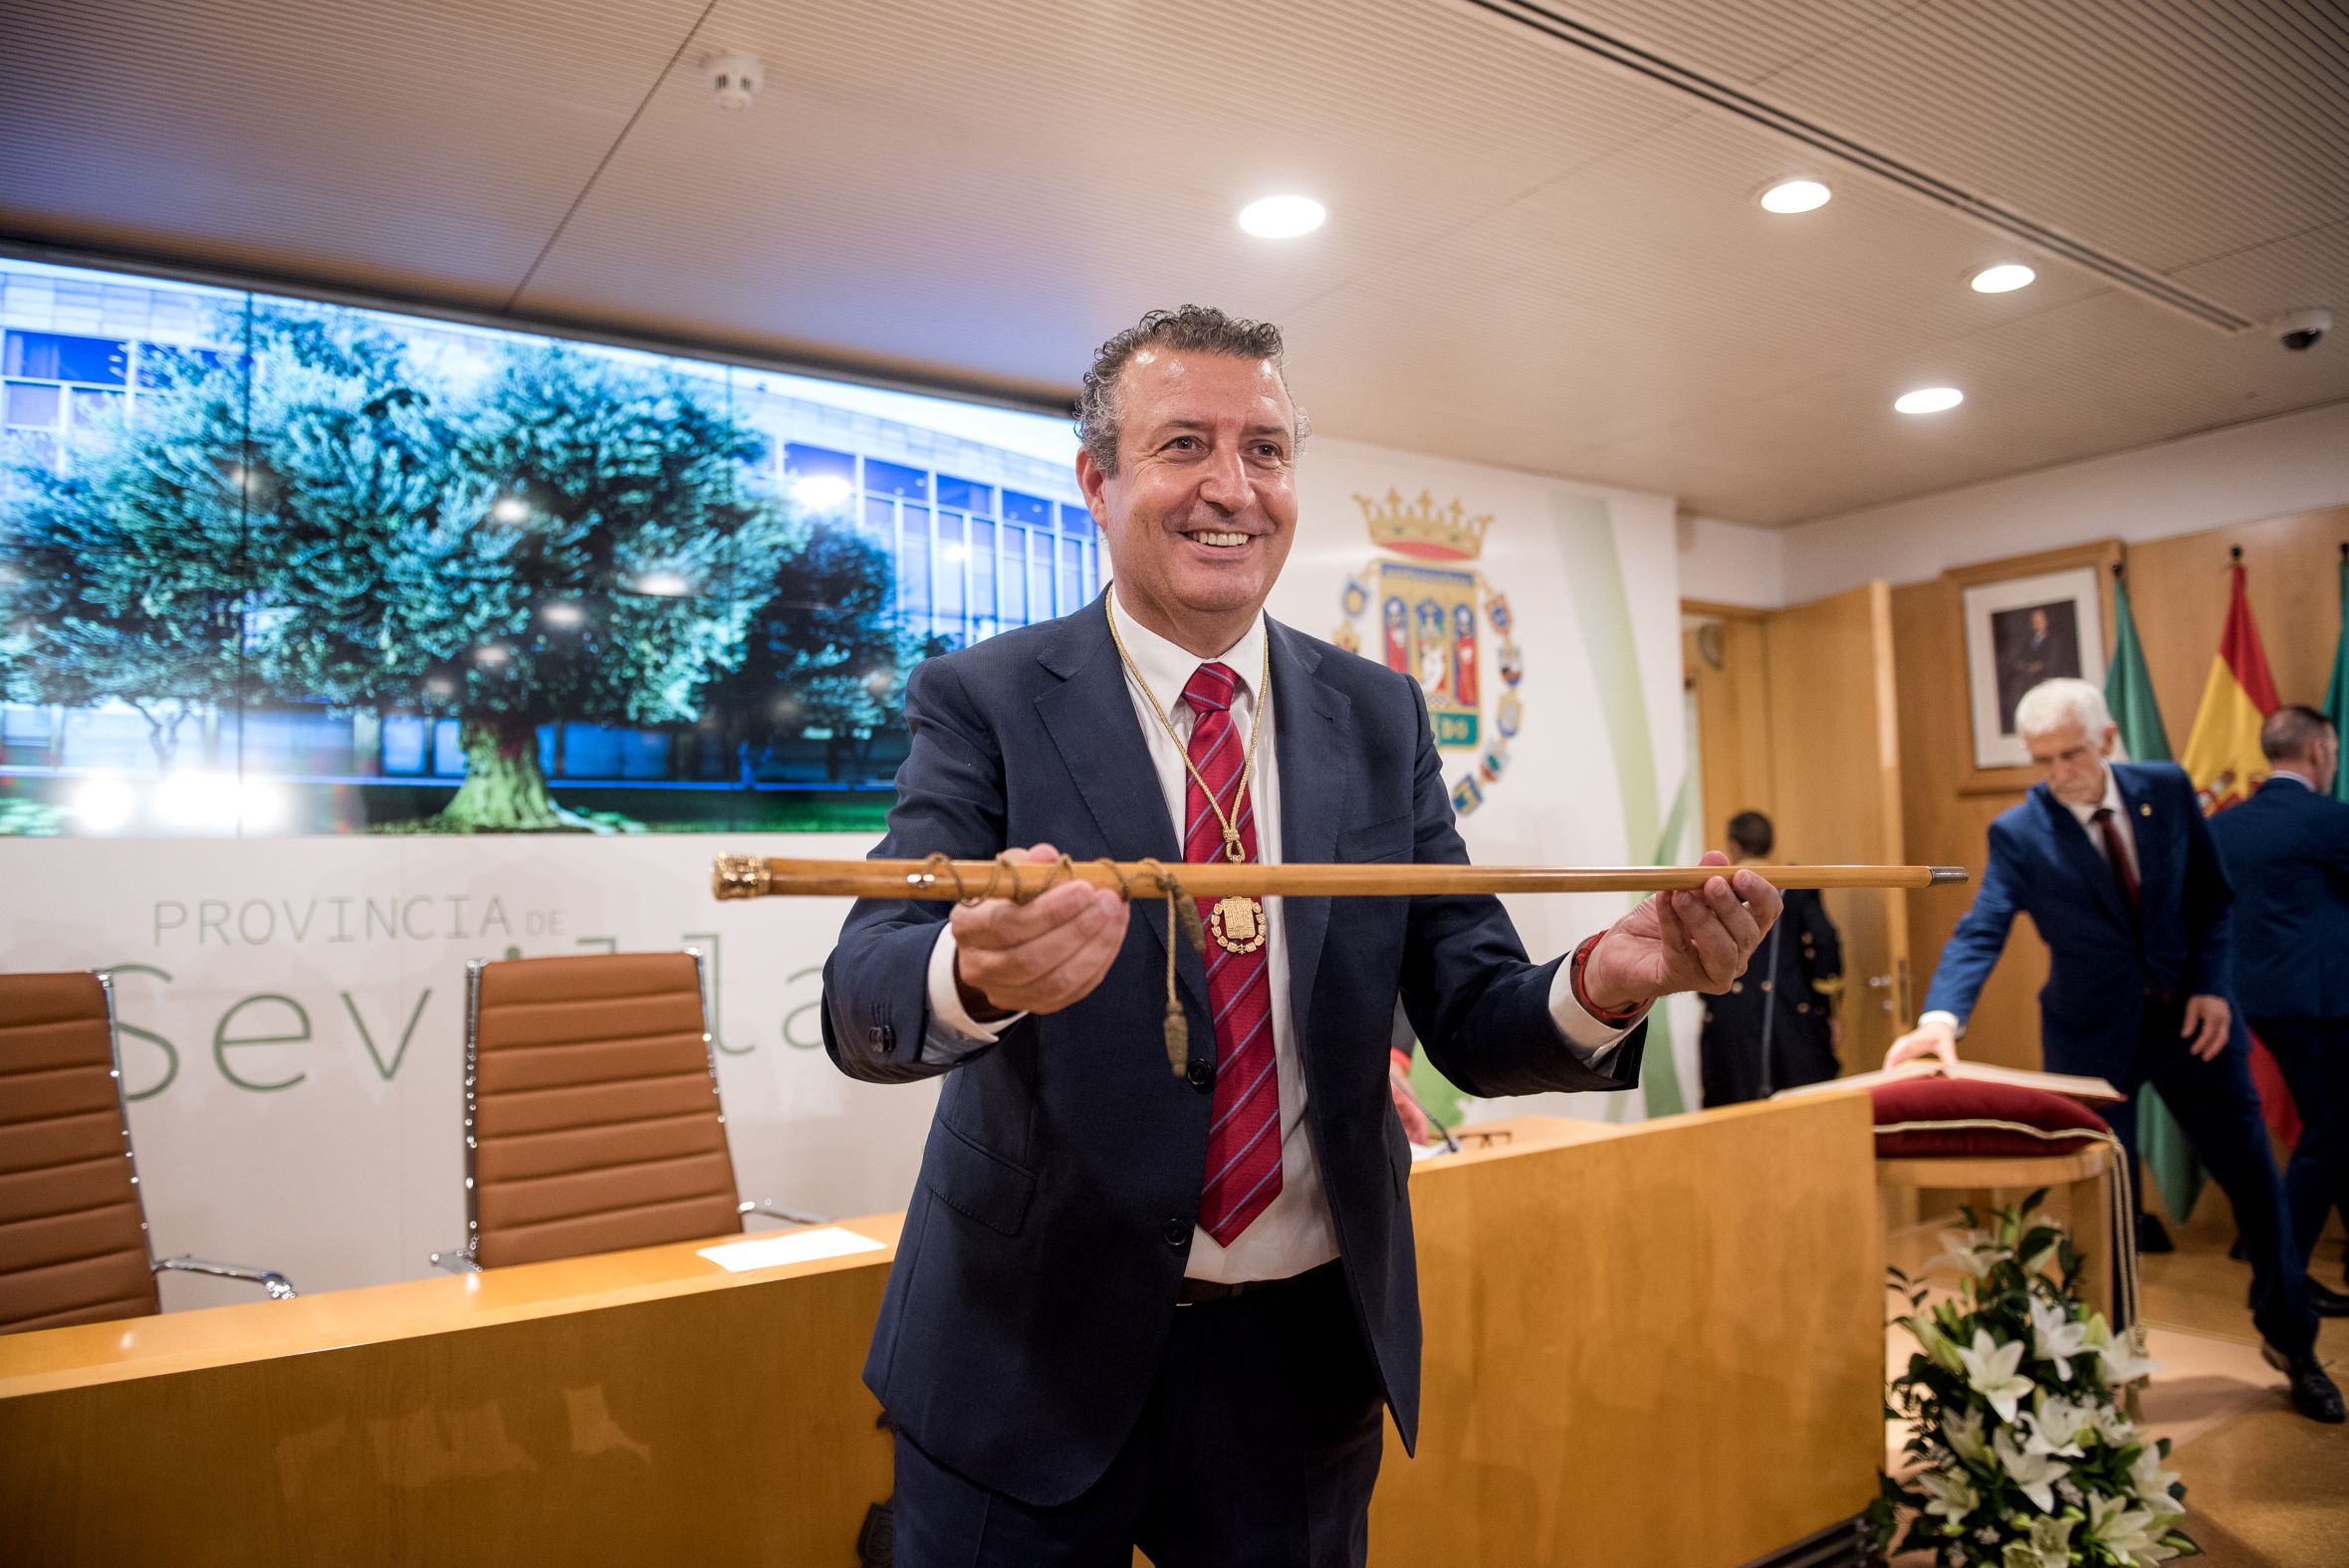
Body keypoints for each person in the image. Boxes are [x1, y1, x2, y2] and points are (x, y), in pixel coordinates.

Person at [821, 305, 1783, 1565]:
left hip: (1293, 1377)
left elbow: (1471, 1009)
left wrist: (1611, 977)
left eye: (1265, 450)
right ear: (1096, 482)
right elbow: (865, 992)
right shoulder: (986, 697)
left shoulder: (1378, 716)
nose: (1232, 487)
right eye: (1183, 445)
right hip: (1023, 1354)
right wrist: (974, 975)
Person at [1884, 678, 2342, 1424]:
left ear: (2104, 739)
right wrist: (1942, 1016)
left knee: (2257, 1184)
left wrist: (2212, 986)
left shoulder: (2166, 789)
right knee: (2103, 1205)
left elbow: (2212, 899)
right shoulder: (2019, 831)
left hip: (2193, 1026)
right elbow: (1982, 925)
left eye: (2071, 753)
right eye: (2042, 759)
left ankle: (2292, 1342)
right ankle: (2102, 1366)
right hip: (2091, 1039)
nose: (2058, 772)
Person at [2209, 705, 2349, 1288]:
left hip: (2248, 1000)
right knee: (2332, 1127)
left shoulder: (2223, 825)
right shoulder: (2329, 819)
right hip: (2321, 1005)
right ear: (2317, 751)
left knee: (2337, 1121)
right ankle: (2279, 1272)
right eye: (2333, 752)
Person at [1698, 810, 1843, 1105]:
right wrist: (1828, 1006)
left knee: (1736, 1109)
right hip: (1792, 1013)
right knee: (1802, 1108)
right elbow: (1824, 939)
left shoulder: (1717, 887)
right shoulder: (1795, 884)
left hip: (1731, 1014)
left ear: (1734, 846)